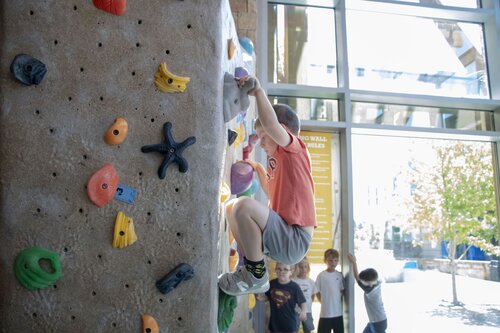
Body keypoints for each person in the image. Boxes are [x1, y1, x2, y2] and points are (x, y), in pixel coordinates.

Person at [218, 75, 316, 296]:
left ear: (282, 130)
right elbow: (270, 189)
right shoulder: (281, 162)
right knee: (231, 208)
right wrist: (257, 168)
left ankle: (256, 276)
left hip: (295, 238)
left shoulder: (296, 149)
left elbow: (271, 124)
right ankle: (248, 269)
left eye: (263, 136)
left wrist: (259, 92)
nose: (261, 143)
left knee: (243, 206)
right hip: (285, 235)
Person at [256, 262, 307, 333]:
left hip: (290, 324)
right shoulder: (272, 283)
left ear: (291, 272)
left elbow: (302, 301)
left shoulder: (295, 287)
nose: (281, 272)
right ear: (275, 270)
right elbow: (269, 297)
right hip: (275, 323)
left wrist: (303, 311)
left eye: (285, 269)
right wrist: (261, 298)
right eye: (278, 269)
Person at [347, 253, 387, 333]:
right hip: (377, 320)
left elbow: (357, 278)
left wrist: (354, 262)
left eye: (364, 282)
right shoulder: (376, 283)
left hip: (378, 323)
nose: (362, 282)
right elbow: (360, 279)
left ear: (370, 283)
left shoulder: (370, 290)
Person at [315, 249, 345, 333]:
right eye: (330, 260)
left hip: (338, 313)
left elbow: (342, 291)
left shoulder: (339, 275)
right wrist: (323, 301)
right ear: (325, 261)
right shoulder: (321, 276)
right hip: (325, 313)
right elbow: (317, 291)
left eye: (335, 260)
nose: (333, 263)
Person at [292, 257, 316, 333]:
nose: (303, 269)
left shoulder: (311, 282)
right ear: (297, 268)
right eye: (300, 267)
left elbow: (312, 295)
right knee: (293, 329)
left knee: (308, 329)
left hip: (307, 310)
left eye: (305, 267)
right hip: (295, 310)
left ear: (308, 268)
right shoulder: (293, 281)